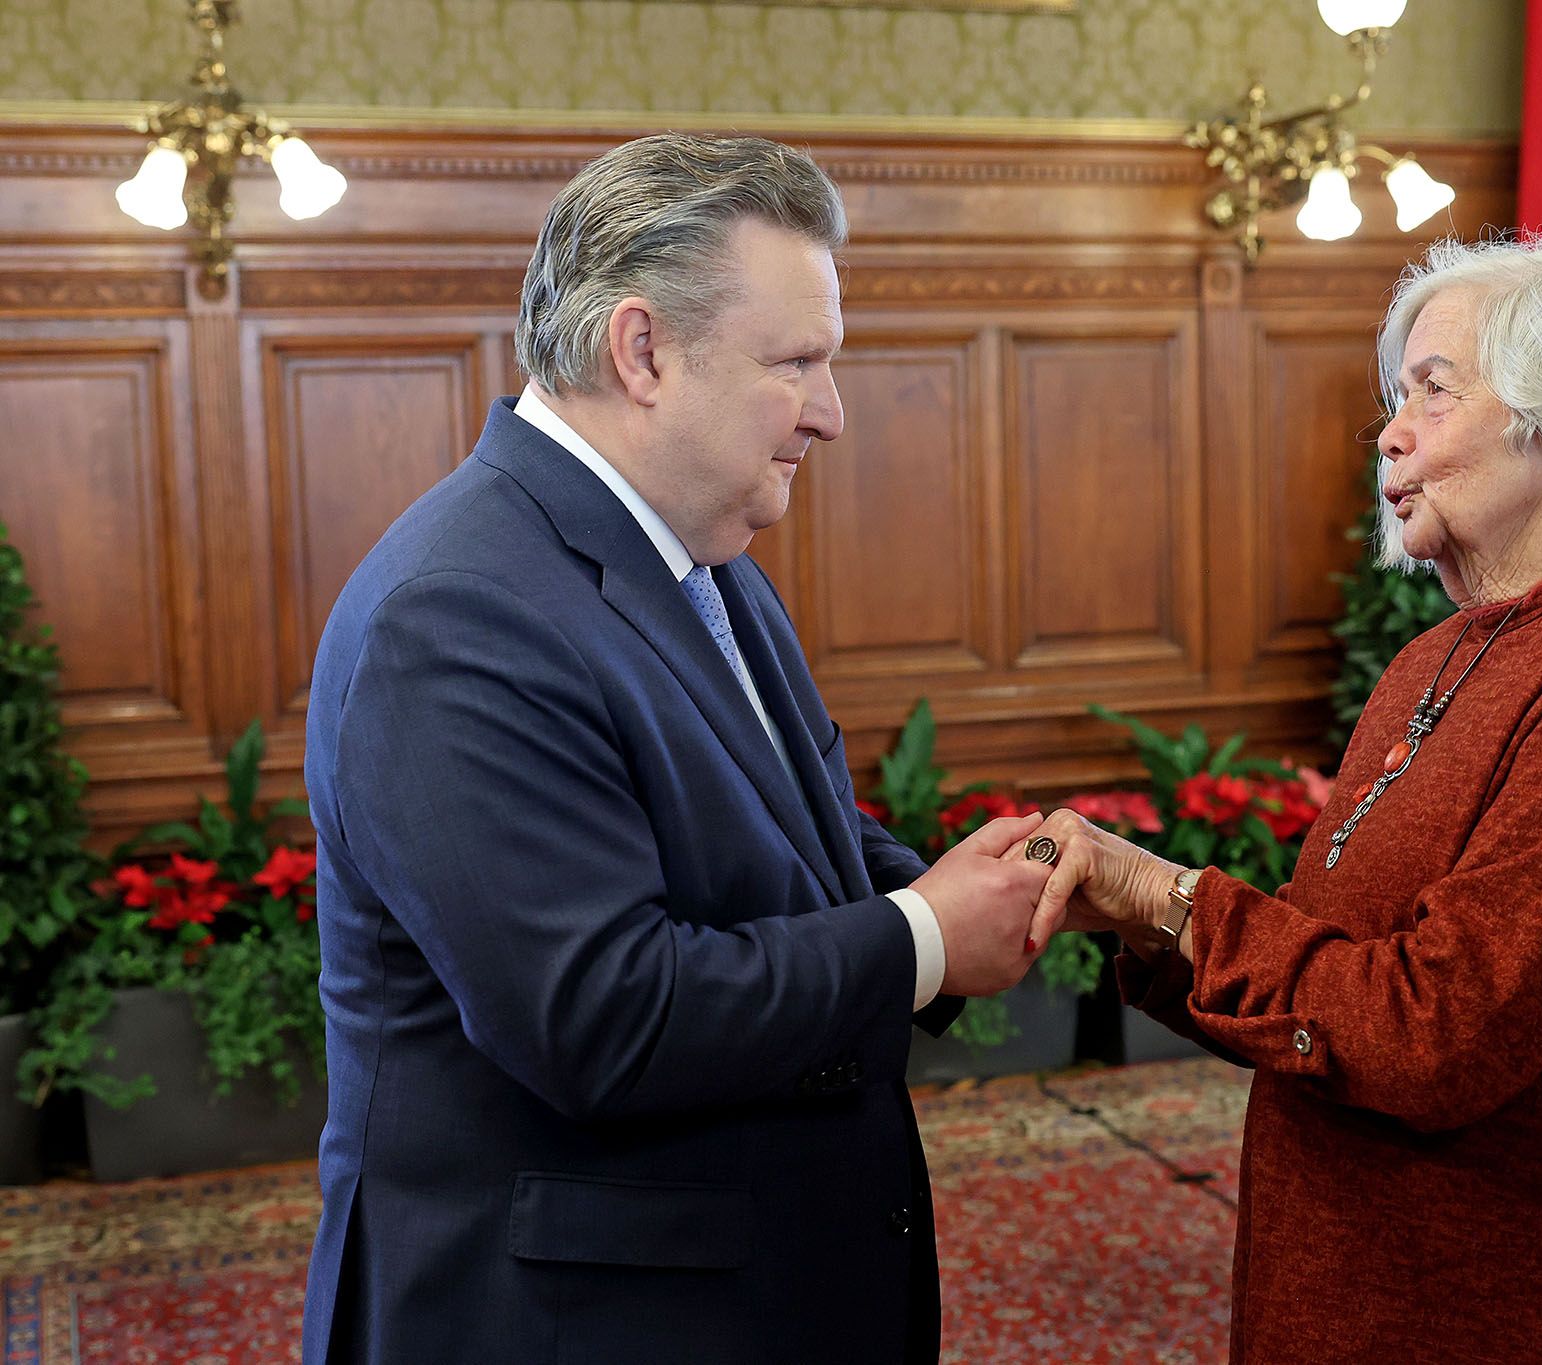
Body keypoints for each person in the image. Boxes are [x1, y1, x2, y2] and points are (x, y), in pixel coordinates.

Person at [300, 134, 1055, 1365]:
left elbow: (789, 838)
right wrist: (921, 939)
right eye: (797, 362)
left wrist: (972, 883)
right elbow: (601, 1018)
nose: (831, 410)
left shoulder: (702, 556)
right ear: (642, 350)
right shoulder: (451, 612)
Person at [1019, 238, 1542, 1362]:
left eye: (1434, 394)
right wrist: (1147, 920)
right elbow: (1330, 993)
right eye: (1395, 400)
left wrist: (1172, 896)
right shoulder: (1438, 655)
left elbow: (1432, 1034)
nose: (1389, 434)